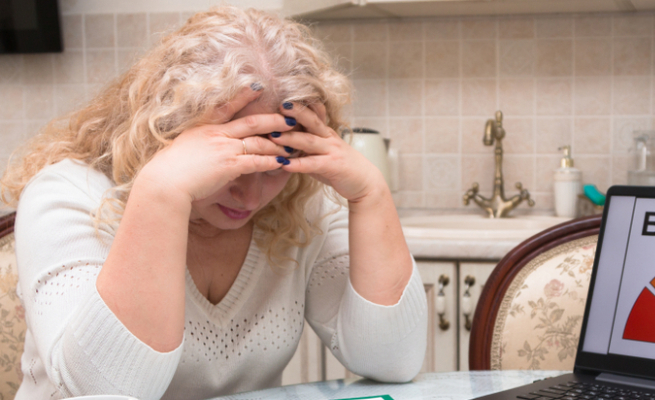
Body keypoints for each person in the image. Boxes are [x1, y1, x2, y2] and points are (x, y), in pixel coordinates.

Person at [0, 6, 426, 400]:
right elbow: (105, 389)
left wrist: (371, 194)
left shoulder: (300, 200)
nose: (252, 195)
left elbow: (392, 361)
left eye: (276, 163)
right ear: (168, 129)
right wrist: (163, 193)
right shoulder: (68, 195)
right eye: (233, 161)